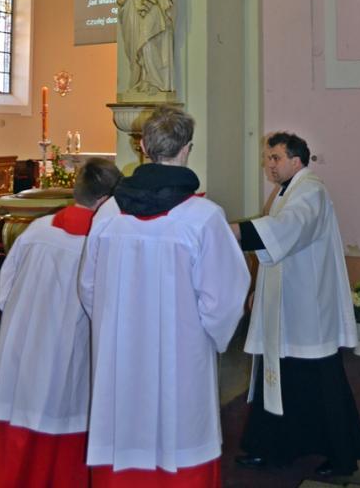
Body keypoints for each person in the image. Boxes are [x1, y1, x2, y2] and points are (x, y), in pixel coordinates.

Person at [79, 106, 251, 487]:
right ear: (187, 149)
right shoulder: (204, 217)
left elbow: (88, 287)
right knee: (180, 435)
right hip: (180, 360)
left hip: (119, 359)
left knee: (122, 432)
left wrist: (114, 327)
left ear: (142, 147)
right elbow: (225, 299)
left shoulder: (108, 214)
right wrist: (205, 338)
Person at [0, 157, 121, 488]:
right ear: (106, 200)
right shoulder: (103, 243)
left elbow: (4, 292)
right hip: (66, 355)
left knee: (13, 431)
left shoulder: (37, 229)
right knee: (60, 427)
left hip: (18, 348)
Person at [232, 131, 360, 478]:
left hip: (308, 310)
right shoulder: (287, 191)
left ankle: (341, 457)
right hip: (285, 306)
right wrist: (259, 289)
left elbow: (287, 229)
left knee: (320, 384)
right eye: (267, 157)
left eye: (275, 157)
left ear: (296, 161)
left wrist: (237, 231)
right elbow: (276, 249)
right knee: (278, 377)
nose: (269, 164)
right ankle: (269, 448)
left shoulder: (311, 191)